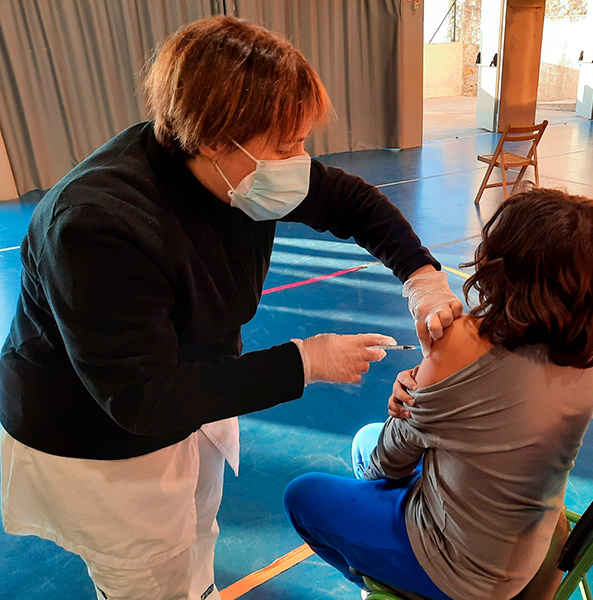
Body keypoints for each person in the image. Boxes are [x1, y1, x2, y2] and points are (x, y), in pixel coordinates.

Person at [0, 16, 462, 600]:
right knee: (145, 572)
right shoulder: (98, 224)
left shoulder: (238, 173)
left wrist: (421, 275)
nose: (300, 161)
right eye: (286, 145)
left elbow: (351, 202)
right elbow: (142, 398)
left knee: (195, 529)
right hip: (99, 434)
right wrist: (305, 362)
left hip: (196, 385)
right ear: (216, 138)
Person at [283, 187, 593, 600]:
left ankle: (396, 585)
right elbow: (485, 411)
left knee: (306, 493)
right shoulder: (584, 349)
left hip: (466, 572)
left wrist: (419, 393)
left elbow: (387, 463)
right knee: (366, 441)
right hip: (534, 541)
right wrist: (431, 387)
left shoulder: (464, 343)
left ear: (503, 266)